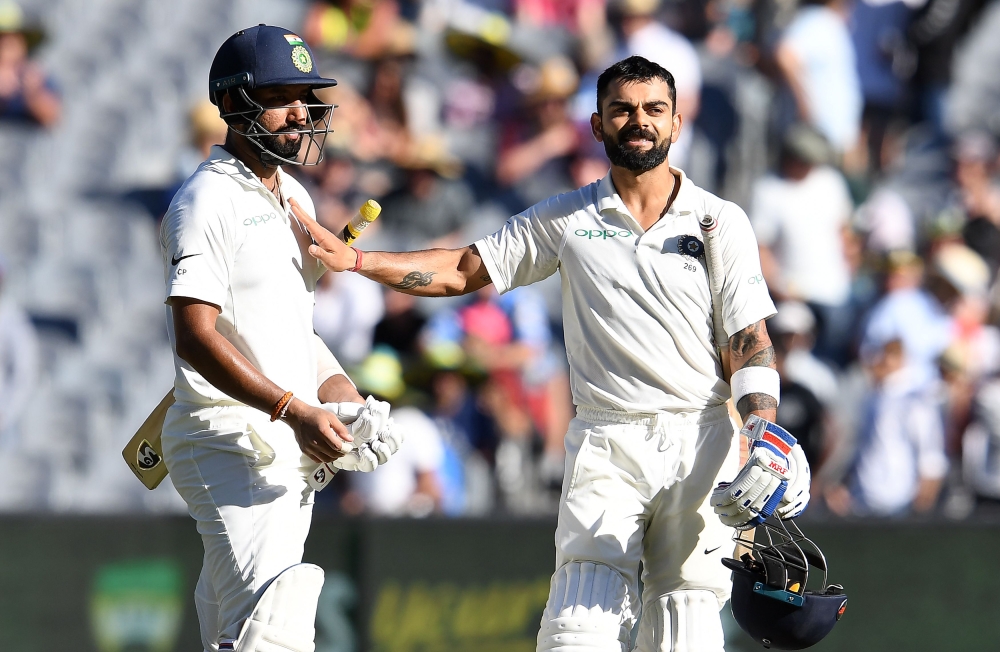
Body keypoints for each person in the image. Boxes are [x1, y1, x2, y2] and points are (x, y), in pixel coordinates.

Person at [297, 56, 811, 652]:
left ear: (675, 124)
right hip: (606, 441)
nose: (637, 121)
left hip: (701, 438)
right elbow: (465, 269)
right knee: (576, 634)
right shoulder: (568, 218)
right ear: (596, 126)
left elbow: (748, 340)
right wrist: (358, 260)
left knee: (685, 627)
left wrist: (762, 430)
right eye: (621, 110)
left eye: (653, 110)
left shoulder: (720, 221)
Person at [158, 26, 401, 652]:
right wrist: (294, 411)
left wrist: (342, 401)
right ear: (234, 102)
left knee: (235, 630)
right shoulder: (205, 201)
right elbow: (193, 335)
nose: (300, 111)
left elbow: (293, 327)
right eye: (280, 95)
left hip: (281, 439)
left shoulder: (291, 193)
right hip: (230, 440)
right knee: (274, 633)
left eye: (306, 95)